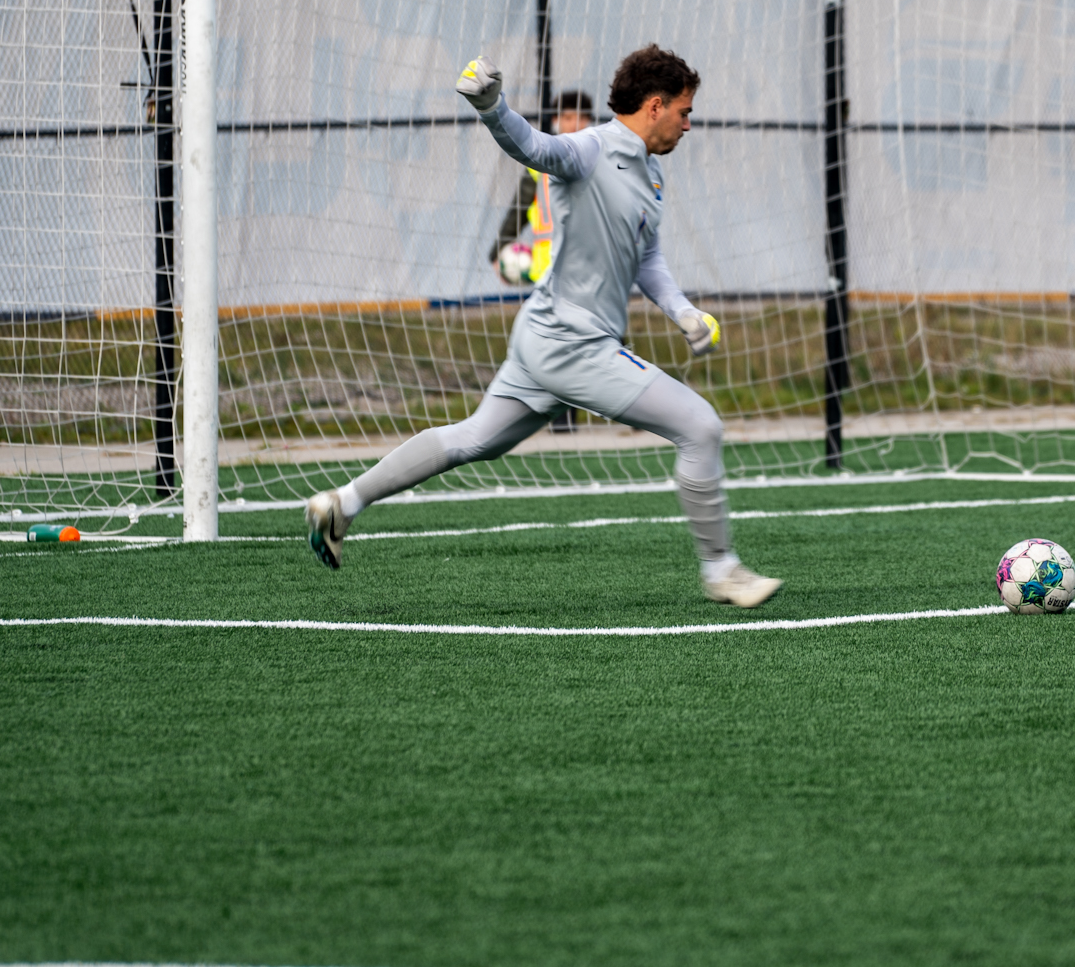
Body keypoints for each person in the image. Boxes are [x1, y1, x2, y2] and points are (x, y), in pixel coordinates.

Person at [305, 44, 782, 609]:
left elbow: (648, 259)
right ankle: (721, 569)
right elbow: (533, 146)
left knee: (472, 439)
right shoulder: (590, 149)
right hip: (573, 346)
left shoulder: (651, 175)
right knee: (700, 427)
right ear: (655, 106)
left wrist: (681, 311)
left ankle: (342, 504)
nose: (687, 124)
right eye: (684, 112)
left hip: (544, 337)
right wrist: (491, 106)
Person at [489, 88, 595, 285]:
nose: (575, 124)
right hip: (548, 268)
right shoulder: (541, 161)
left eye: (581, 117)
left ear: (589, 120)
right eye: (568, 117)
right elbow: (518, 211)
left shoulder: (598, 160)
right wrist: (498, 250)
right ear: (556, 120)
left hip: (590, 264)